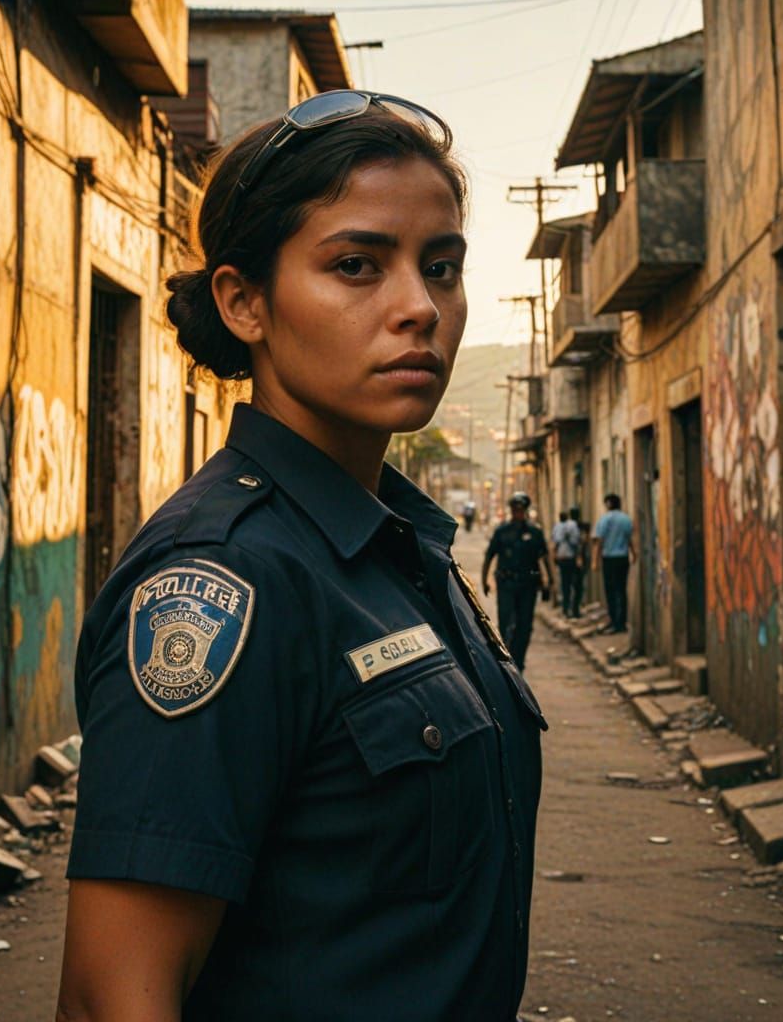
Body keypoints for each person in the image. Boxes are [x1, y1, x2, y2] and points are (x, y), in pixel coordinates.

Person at [57, 91, 547, 1022]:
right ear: (245, 302)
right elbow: (110, 995)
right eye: (357, 265)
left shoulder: (402, 547)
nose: (421, 309)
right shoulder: (225, 579)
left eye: (441, 268)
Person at [481, 492, 554, 670]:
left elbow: (544, 558)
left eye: (521, 510)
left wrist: (549, 581)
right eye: (515, 510)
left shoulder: (535, 532)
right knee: (505, 622)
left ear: (526, 511)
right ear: (511, 510)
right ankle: (507, 662)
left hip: (528, 584)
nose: (518, 513)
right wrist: (484, 579)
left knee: (525, 624)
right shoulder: (501, 531)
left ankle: (519, 661)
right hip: (506, 583)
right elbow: (490, 556)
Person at [593, 492, 635, 633]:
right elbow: (629, 539)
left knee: (610, 591)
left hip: (609, 559)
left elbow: (599, 541)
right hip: (623, 558)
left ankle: (613, 621)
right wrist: (633, 554)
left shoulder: (605, 520)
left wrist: (595, 561)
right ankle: (621, 623)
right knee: (621, 590)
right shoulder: (626, 519)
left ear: (609, 504)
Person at [550, 509, 582, 618]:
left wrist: (554, 557)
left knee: (565, 585)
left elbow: (554, 543)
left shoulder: (557, 527)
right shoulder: (572, 525)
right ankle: (573, 610)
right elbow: (577, 542)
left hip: (562, 559)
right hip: (570, 559)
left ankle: (566, 609)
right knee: (575, 585)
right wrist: (579, 557)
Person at [569, 506, 587, 618]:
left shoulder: (568, 526)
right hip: (578, 560)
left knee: (573, 585)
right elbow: (581, 543)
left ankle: (573, 609)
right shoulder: (580, 527)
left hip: (571, 560)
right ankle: (575, 610)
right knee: (578, 586)